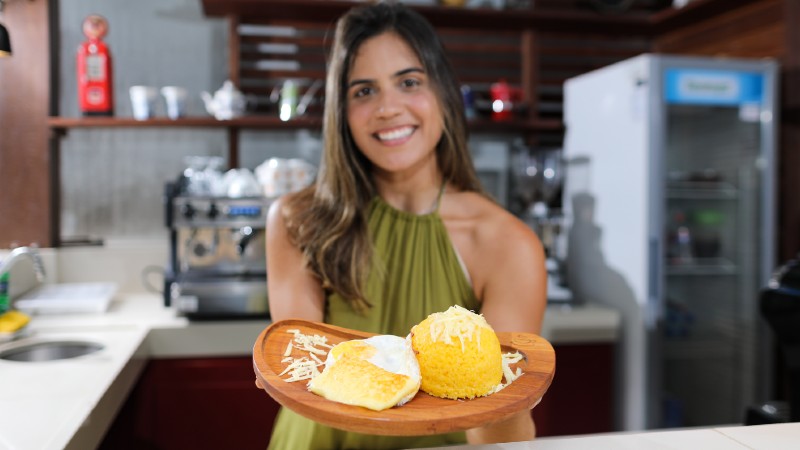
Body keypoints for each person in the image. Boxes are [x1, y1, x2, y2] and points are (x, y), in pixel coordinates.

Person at [263, 1, 547, 448]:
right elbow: (307, 378)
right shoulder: (297, 221)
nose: (387, 108)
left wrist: (508, 403)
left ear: (444, 94)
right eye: (363, 91)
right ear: (342, 112)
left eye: (409, 82)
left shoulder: (506, 243)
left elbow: (496, 430)